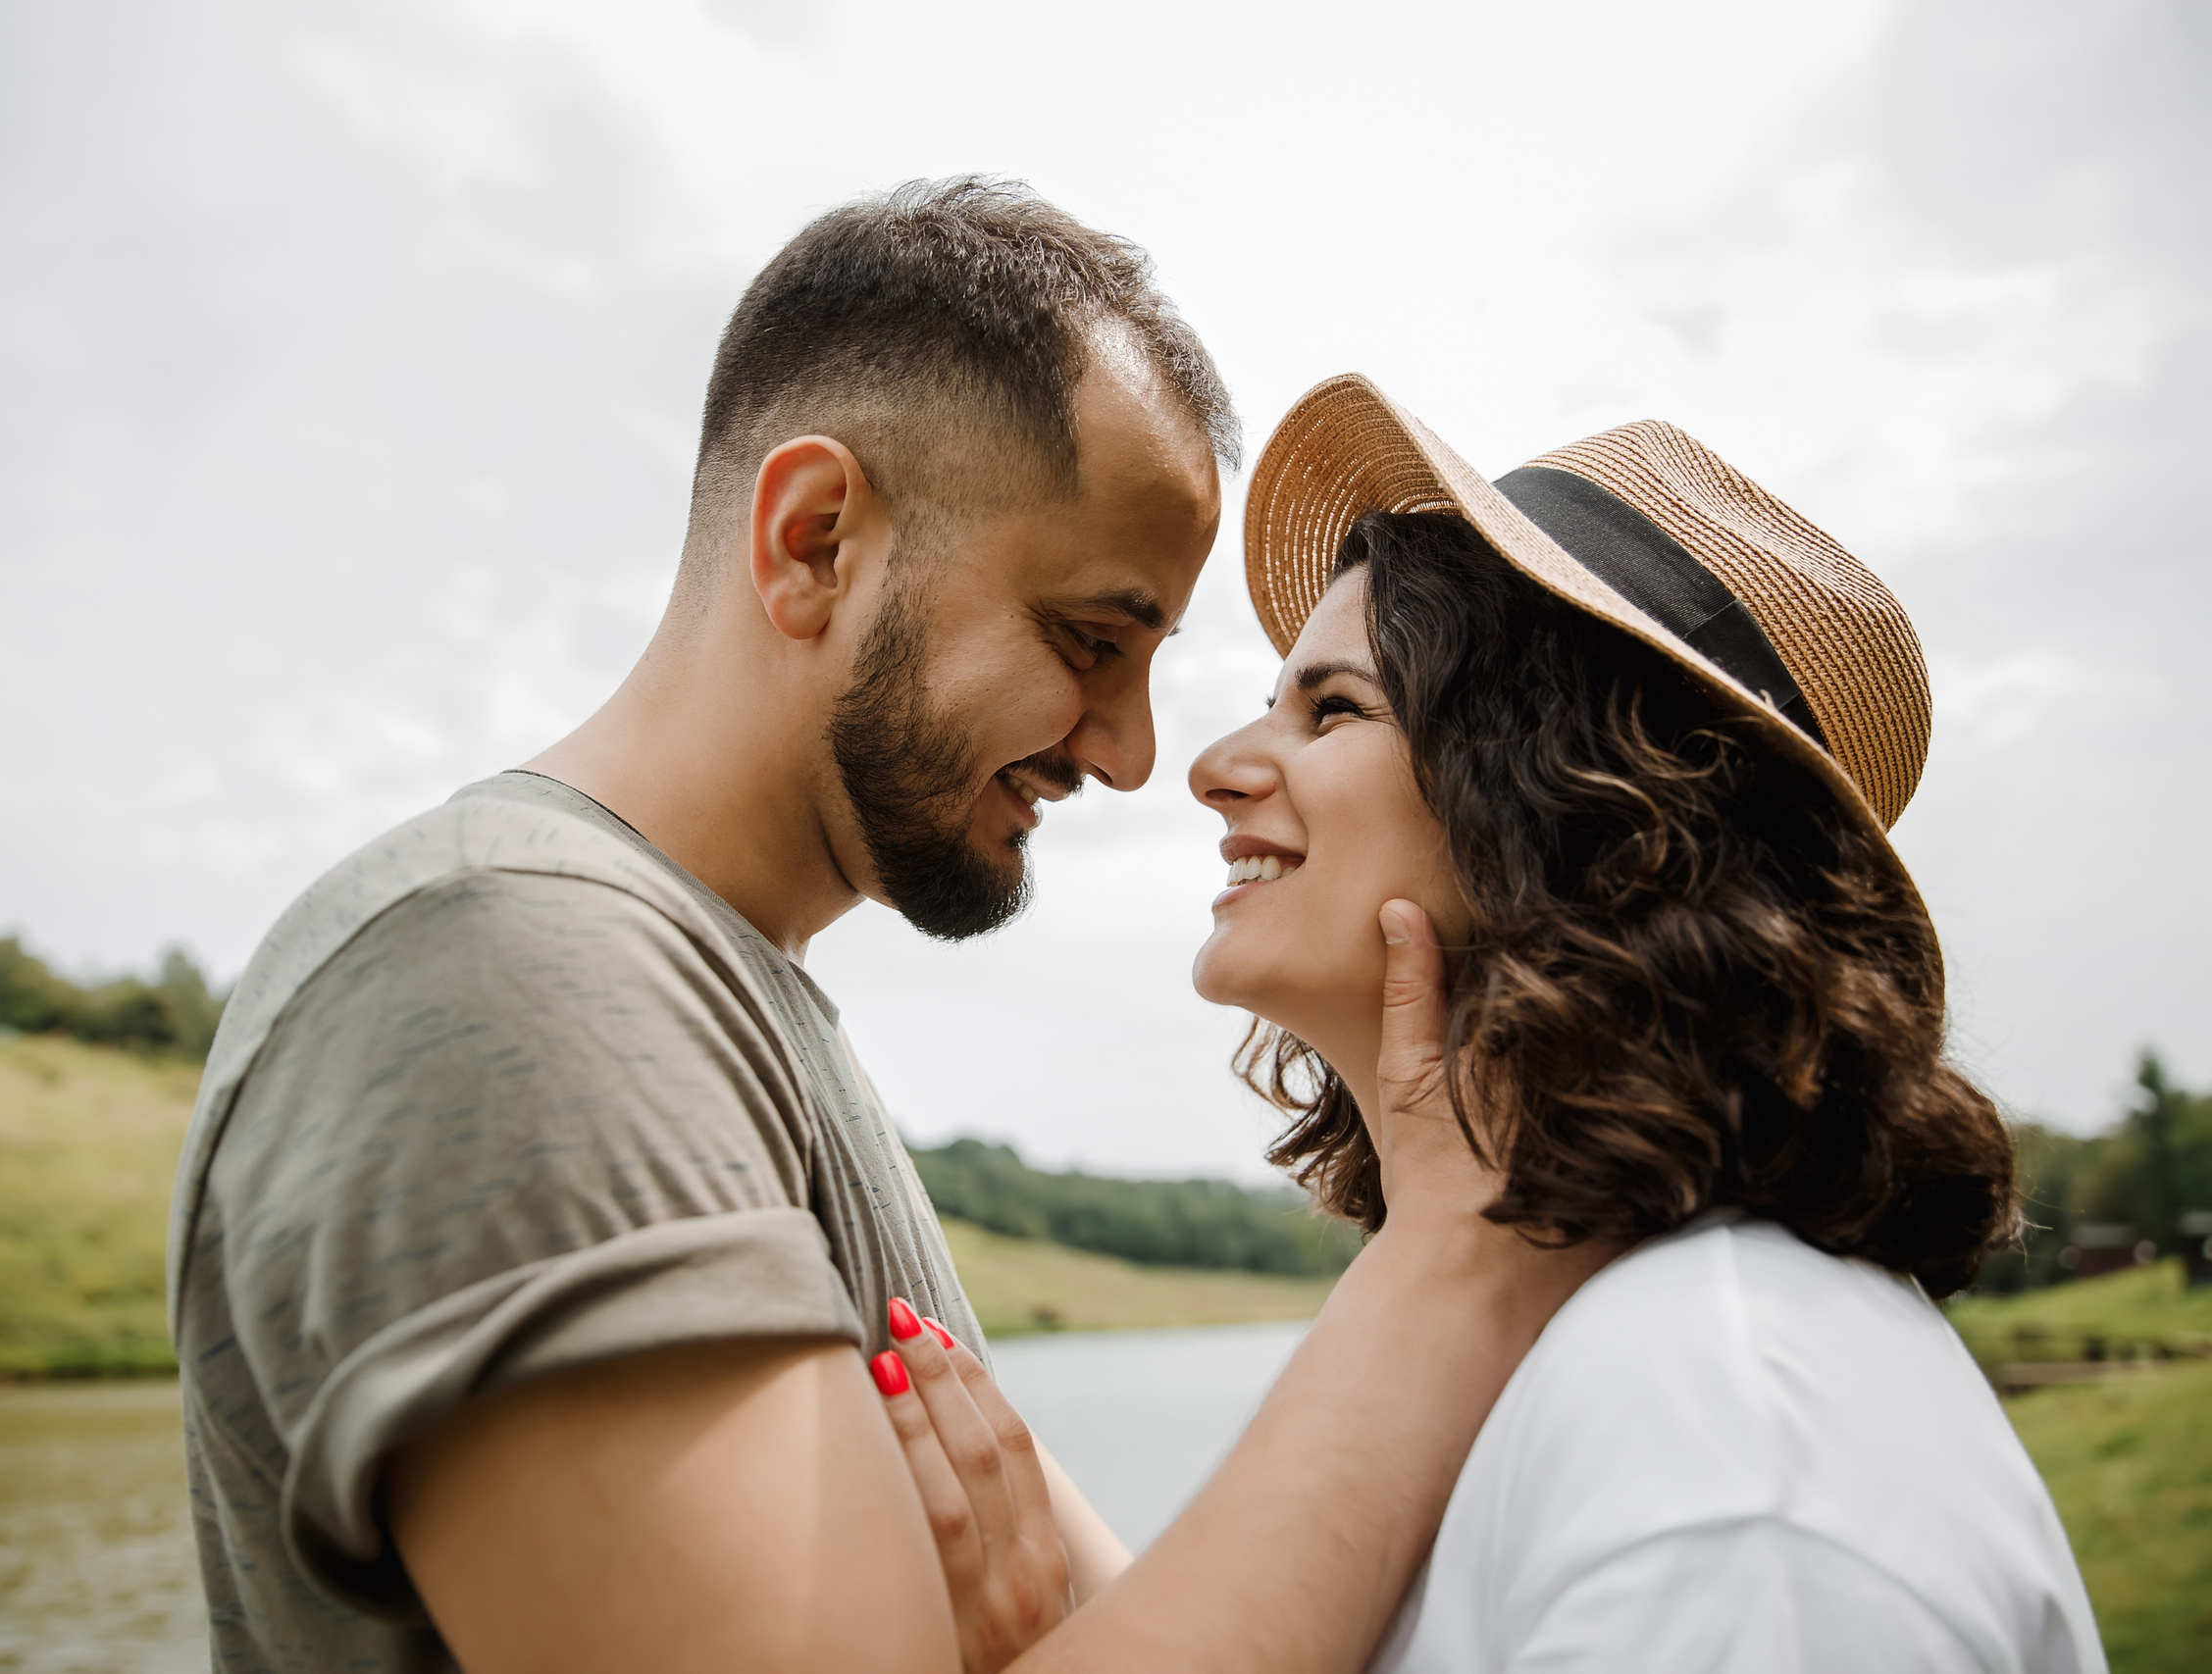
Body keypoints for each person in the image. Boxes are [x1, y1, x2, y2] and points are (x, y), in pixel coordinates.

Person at [165, 183, 1599, 1674]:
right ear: (813, 539)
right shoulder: (521, 975)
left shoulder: (713, 1003)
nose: (1127, 752)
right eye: (1089, 642)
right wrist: (1448, 1265)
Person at [877, 377, 2107, 1672]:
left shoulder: (1722, 1463)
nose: (1212, 764)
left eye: (1335, 707)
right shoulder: (1533, 1356)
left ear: (1576, 820)